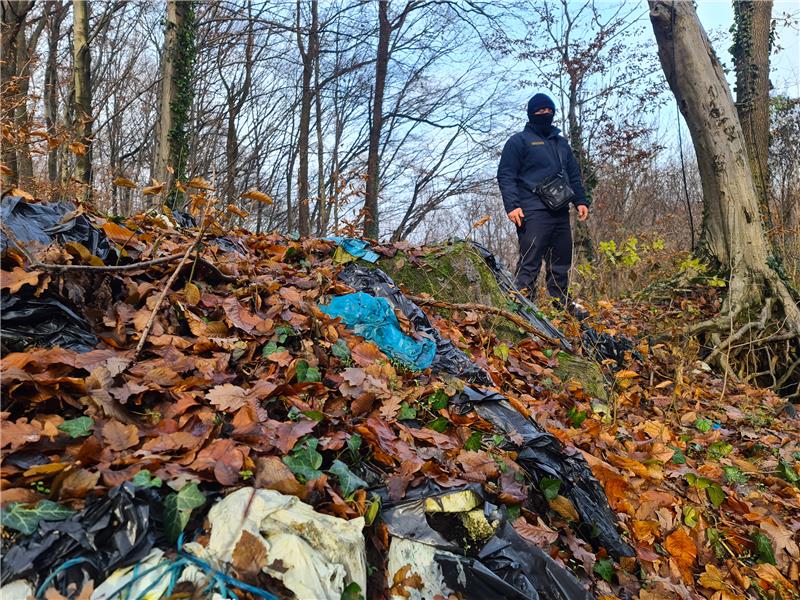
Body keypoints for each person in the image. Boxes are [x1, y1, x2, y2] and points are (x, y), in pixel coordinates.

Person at [497, 93, 589, 316]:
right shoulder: (518, 141)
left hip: (559, 210)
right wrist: (512, 206)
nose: (545, 113)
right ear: (531, 113)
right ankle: (520, 304)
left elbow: (573, 174)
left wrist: (580, 200)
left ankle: (561, 305)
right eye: (540, 110)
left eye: (549, 110)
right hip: (531, 210)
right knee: (530, 259)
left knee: (560, 260)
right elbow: (506, 175)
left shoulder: (561, 143)